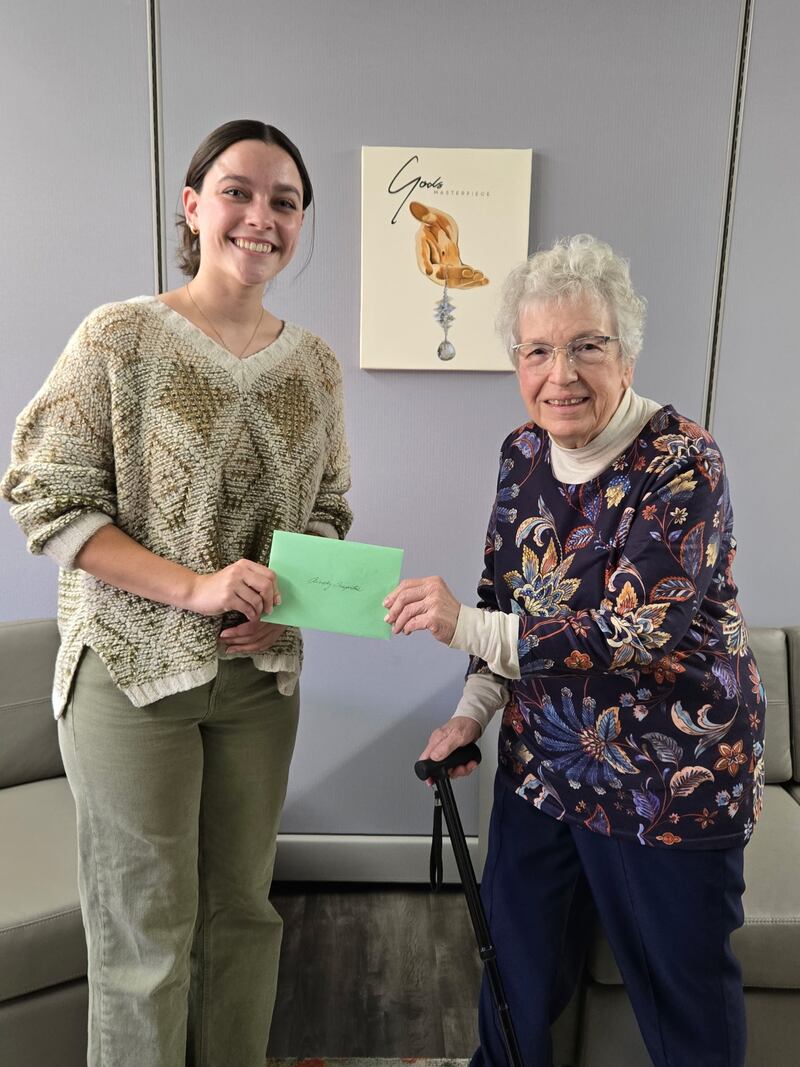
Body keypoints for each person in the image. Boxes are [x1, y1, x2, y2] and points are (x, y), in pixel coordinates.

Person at [1, 119, 352, 1067]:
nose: (261, 216)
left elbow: (329, 509)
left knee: (242, 914)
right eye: (237, 191)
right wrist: (194, 587)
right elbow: (45, 494)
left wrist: (290, 594)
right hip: (128, 674)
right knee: (145, 936)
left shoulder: (315, 367)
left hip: (255, 680)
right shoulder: (119, 337)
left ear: (301, 221)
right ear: (194, 208)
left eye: (284, 200)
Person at [385, 235, 763, 1067]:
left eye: (588, 346)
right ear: (517, 362)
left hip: (670, 776)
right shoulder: (521, 454)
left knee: (681, 997)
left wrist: (464, 628)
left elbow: (638, 632)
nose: (562, 373)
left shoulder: (683, 461)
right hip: (545, 768)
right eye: (539, 350)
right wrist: (468, 714)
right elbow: (501, 600)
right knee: (514, 983)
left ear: (625, 352)